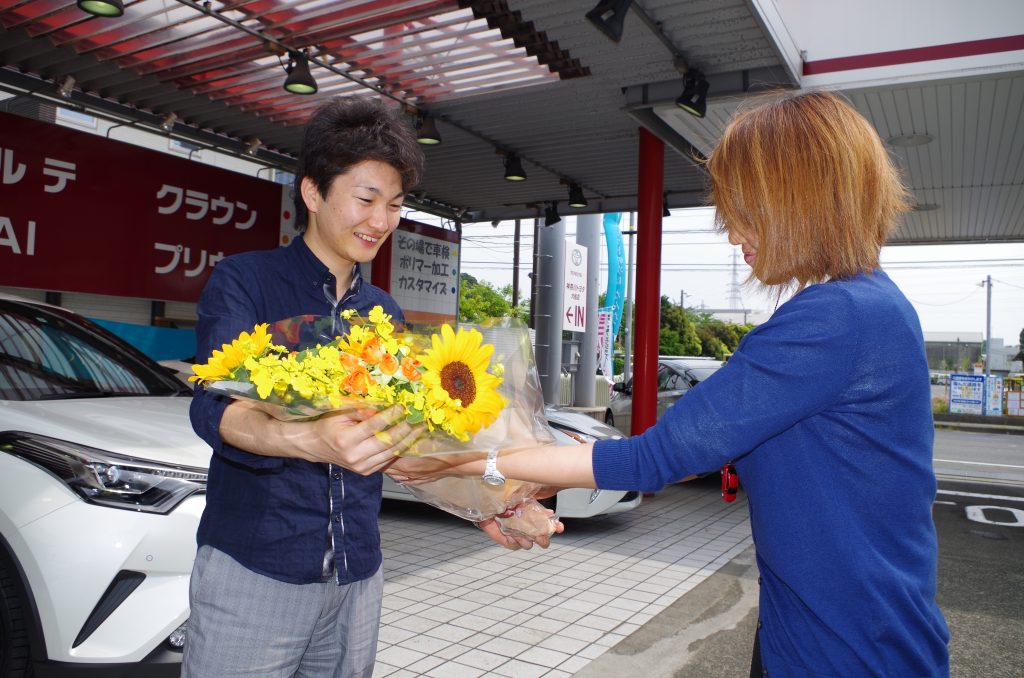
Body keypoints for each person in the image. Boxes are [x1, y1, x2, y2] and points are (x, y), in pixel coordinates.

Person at [389, 91, 951, 677]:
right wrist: (515, 488)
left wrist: (477, 463)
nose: (733, 233)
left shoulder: (836, 319)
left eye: (743, 208)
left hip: (850, 651)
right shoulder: (871, 307)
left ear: (796, 201)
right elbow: (690, 452)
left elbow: (656, 456)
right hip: (832, 632)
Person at [183, 97, 547, 678]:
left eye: (396, 205)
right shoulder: (245, 281)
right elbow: (212, 409)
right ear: (312, 193)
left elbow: (410, 446)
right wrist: (307, 440)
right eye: (366, 199)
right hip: (257, 568)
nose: (381, 221)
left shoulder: (383, 312)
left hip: (357, 577)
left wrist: (489, 504)